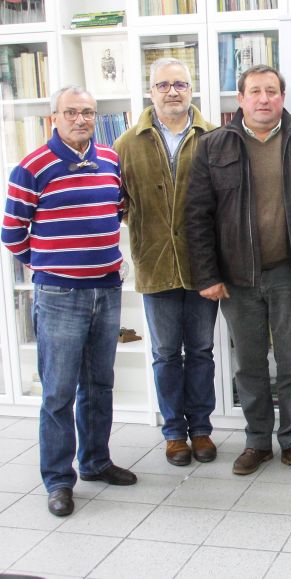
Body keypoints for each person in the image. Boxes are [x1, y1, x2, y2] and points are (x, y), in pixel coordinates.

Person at [185, 65, 291, 477]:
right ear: (240, 99)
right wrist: (208, 275)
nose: (263, 98)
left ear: (282, 97)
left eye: (271, 91)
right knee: (250, 366)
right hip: (237, 279)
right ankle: (257, 442)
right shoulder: (213, 146)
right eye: (254, 91)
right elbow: (197, 216)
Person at [1, 86, 137, 517]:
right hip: (59, 295)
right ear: (54, 117)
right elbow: (12, 234)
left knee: (99, 385)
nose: (81, 119)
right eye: (72, 112)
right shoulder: (32, 167)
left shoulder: (110, 160)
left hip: (106, 289)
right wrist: (49, 265)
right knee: (58, 392)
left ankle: (96, 461)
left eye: (88, 112)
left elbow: (116, 211)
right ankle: (59, 480)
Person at [114, 58, 218, 467]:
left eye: (180, 84)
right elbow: (119, 203)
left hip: (203, 266)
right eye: (163, 85)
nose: (172, 91)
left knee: (202, 351)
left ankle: (202, 429)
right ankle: (174, 433)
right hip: (155, 265)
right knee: (165, 354)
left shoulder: (214, 137)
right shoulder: (127, 143)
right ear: (150, 91)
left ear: (191, 89)